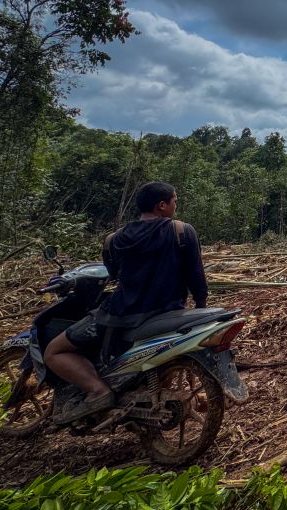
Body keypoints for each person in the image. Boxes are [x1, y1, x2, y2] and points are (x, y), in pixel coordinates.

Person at [43, 181, 207, 423]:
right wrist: (201, 305)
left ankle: (97, 390)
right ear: (162, 205)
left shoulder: (114, 240)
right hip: (169, 310)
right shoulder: (181, 232)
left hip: (121, 314)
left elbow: (114, 273)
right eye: (174, 201)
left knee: (53, 351)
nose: (175, 205)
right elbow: (195, 274)